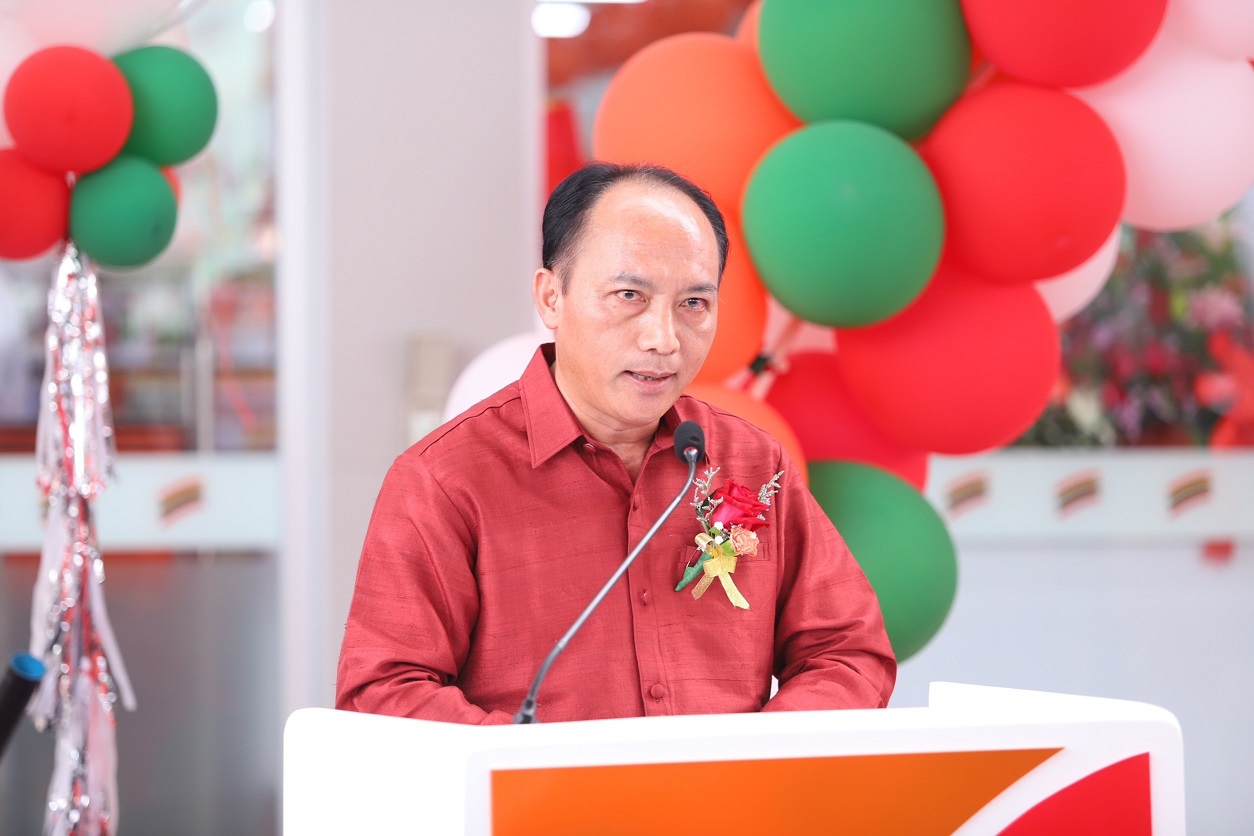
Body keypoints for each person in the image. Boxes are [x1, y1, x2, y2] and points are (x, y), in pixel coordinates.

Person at [336, 162, 895, 724]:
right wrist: (546, 763)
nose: (663, 339)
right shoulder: (446, 478)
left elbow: (847, 652)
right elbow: (383, 691)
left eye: (694, 304)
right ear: (551, 297)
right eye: (629, 295)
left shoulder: (752, 461)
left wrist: (755, 755)